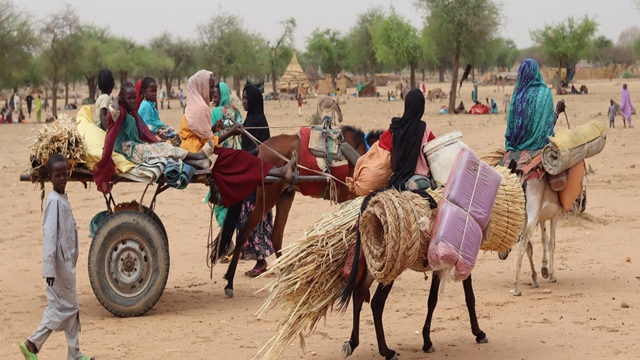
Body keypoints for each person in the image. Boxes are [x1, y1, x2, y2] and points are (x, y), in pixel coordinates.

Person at [20, 154, 95, 360]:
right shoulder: (53, 201)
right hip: (58, 267)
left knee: (71, 308)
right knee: (63, 308)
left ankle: (75, 354)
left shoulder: (62, 197)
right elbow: (50, 236)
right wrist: (49, 269)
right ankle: (32, 344)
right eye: (57, 175)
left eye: (64, 174)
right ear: (50, 177)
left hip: (66, 264)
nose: (62, 178)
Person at [219, 85, 276, 276]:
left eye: (246, 98)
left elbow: (260, 150)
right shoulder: (252, 118)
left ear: (253, 100)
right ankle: (261, 260)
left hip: (255, 177)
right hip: (253, 174)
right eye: (242, 98)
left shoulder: (257, 121)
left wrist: (241, 158)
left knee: (252, 219)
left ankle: (261, 262)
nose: (243, 101)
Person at [383, 89, 436, 190]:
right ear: (421, 107)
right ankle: (411, 186)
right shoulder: (424, 129)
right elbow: (435, 149)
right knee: (423, 184)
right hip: (420, 177)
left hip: (398, 177)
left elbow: (383, 142)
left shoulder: (396, 128)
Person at [505, 58, 558, 151]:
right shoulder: (545, 93)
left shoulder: (517, 96)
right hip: (539, 146)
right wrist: (557, 112)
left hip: (516, 145)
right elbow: (547, 127)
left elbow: (511, 126)